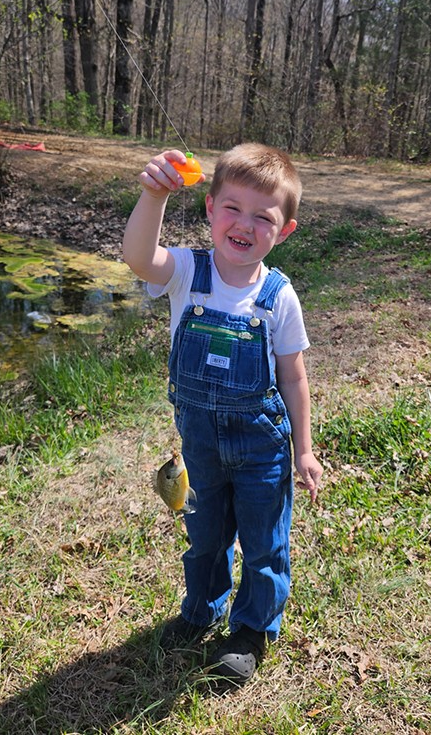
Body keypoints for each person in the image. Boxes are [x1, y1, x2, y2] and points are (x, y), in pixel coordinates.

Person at [123, 144, 323, 685]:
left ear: (285, 231)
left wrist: (303, 448)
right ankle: (200, 610)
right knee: (205, 535)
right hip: (201, 447)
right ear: (209, 209)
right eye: (232, 208)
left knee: (264, 543)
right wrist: (153, 194)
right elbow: (140, 258)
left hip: (262, 449)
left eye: (264, 217)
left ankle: (252, 628)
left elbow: (294, 377)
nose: (245, 224)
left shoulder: (280, 297)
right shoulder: (188, 271)